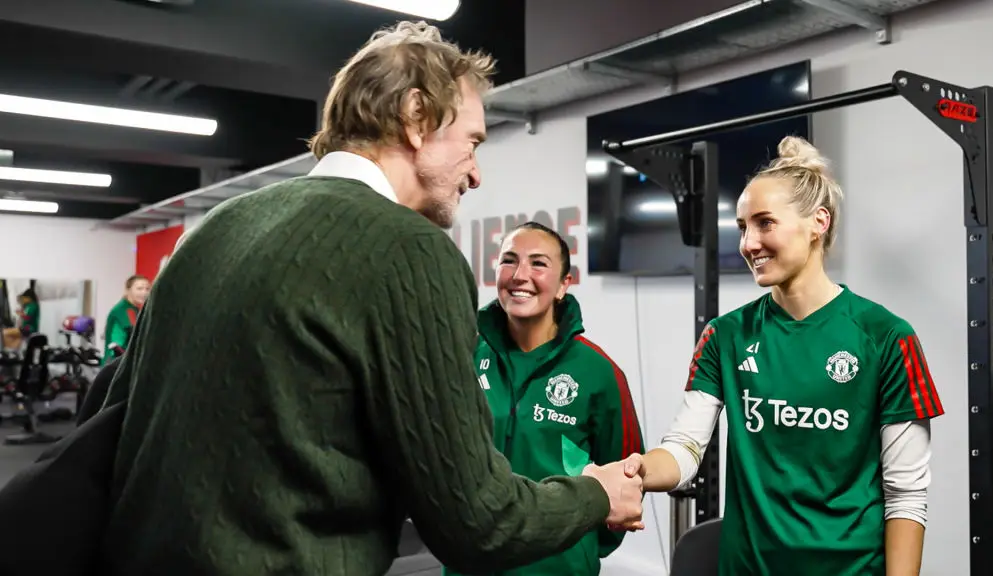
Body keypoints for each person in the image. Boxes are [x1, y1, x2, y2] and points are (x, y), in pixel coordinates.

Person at [95, 20, 643, 576]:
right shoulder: (412, 251)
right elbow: (480, 520)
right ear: (416, 117)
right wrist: (595, 494)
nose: (476, 174)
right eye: (472, 142)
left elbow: (107, 422)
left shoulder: (213, 228)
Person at [622, 136, 942, 576]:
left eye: (765, 223)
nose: (748, 243)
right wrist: (638, 470)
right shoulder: (725, 335)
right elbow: (684, 450)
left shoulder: (886, 337)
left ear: (818, 222)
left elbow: (906, 495)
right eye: (742, 227)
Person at [443, 222, 646, 576]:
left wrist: (578, 548)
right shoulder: (463, 355)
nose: (520, 275)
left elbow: (625, 478)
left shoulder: (598, 371)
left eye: (538, 263)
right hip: (469, 565)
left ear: (564, 285)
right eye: (509, 260)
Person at [102, 274, 150, 364]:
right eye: (139, 289)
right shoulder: (123, 310)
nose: (144, 292)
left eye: (147, 289)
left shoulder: (135, 309)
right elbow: (117, 346)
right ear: (128, 290)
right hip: (116, 364)